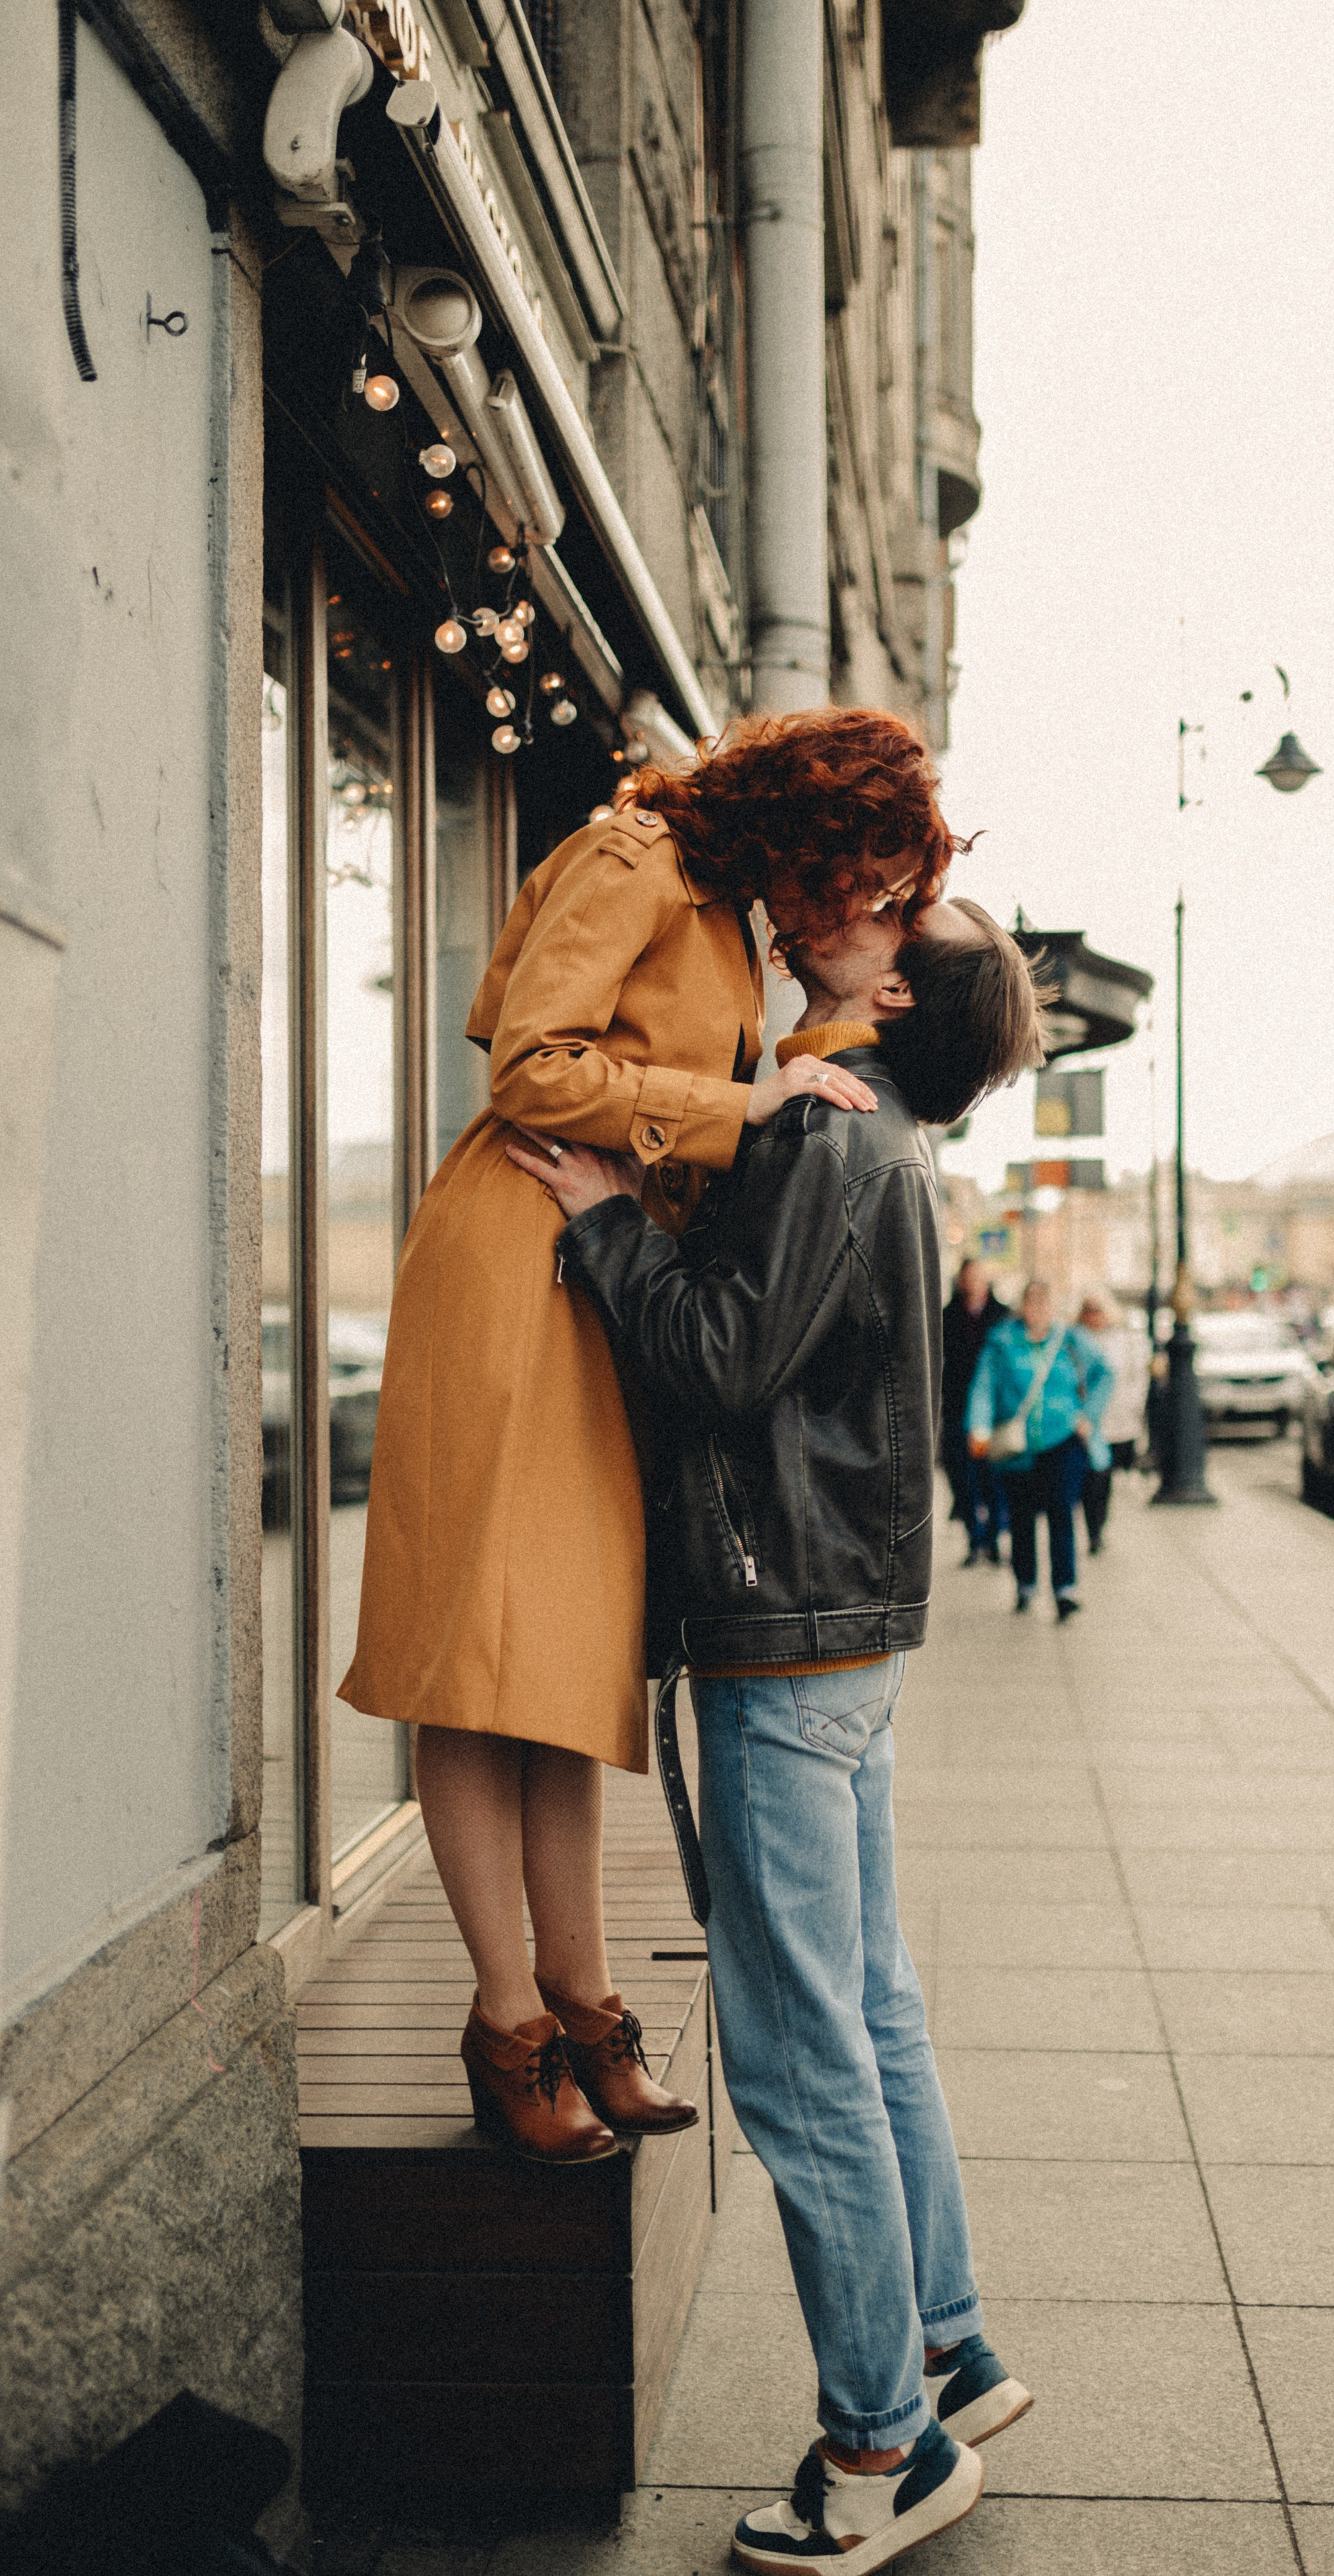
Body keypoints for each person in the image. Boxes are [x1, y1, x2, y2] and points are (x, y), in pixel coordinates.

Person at [507, 894, 1046, 2575]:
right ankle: (952, 2343)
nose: (864, 904)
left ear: (891, 991)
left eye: (901, 914)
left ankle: (881, 2442)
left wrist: (606, 1224)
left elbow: (722, 1362)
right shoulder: (850, 1115)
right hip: (845, 1623)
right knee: (870, 2007)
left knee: (803, 2045)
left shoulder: (836, 1132)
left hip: (785, 1635)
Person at [338, 710, 955, 2162]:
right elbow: (529, 1072)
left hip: (601, 1271)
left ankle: (587, 1993)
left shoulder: (725, 911)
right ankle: (510, 2022)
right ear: (804, 830)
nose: (853, 910)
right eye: (854, 875)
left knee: (559, 1663)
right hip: (516, 1260)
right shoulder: (633, 856)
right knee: (479, 1660)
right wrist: (742, 1103)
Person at [965, 1282, 1112, 1621]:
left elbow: (1105, 1373)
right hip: (1017, 1447)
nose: (1039, 1311)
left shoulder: (1071, 1340)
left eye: (1045, 1304)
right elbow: (983, 1387)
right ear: (1023, 1307)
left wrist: (1088, 1416)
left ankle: (1065, 1588)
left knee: (1062, 1511)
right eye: (1033, 1303)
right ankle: (1025, 1583)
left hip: (1062, 1441)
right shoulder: (1001, 1343)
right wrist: (979, 1426)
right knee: (1021, 1517)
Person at [941, 1260, 1012, 1563]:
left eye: (978, 1278)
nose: (972, 1283)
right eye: (968, 1278)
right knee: (962, 1476)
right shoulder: (946, 1316)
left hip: (993, 1413)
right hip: (957, 1408)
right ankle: (975, 1539)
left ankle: (995, 1538)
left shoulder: (1002, 1316)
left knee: (993, 1476)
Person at [1075, 1291, 1150, 1552]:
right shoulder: (1076, 1340)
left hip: (1117, 1418)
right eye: (1089, 1311)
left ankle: (1098, 1526)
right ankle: (1094, 1529)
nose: (1094, 1317)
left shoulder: (1123, 1340)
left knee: (1104, 1474)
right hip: (1087, 1421)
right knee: (1094, 1474)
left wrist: (1134, 1404)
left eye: (1099, 1310)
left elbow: (1136, 1375)